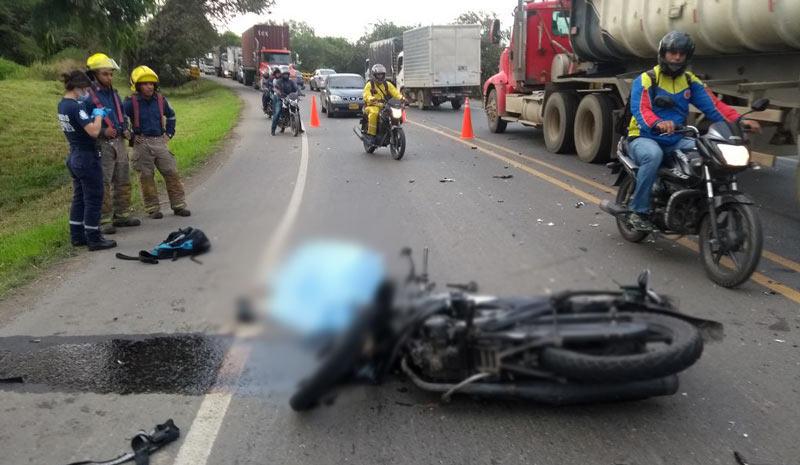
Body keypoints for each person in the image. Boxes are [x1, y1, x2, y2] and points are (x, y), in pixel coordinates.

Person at [626, 31, 761, 231]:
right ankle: (638, 212)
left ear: (688, 57)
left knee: (710, 153)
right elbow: (641, 109)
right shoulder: (647, 79)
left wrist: (740, 121)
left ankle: (696, 203)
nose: (677, 57)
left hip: (676, 138)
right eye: (673, 52)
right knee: (652, 156)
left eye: (682, 53)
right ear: (663, 54)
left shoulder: (691, 81)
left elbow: (714, 107)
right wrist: (658, 123)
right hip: (645, 136)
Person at [57, 70, 117, 251]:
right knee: (93, 197)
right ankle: (94, 237)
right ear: (77, 87)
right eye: (85, 89)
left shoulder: (63, 105)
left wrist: (90, 115)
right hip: (86, 156)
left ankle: (77, 235)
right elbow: (92, 131)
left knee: (80, 198)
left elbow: (77, 126)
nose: (87, 93)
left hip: (74, 154)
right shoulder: (76, 107)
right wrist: (98, 115)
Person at [123, 65, 191, 219]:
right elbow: (121, 120)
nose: (149, 86)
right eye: (145, 84)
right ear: (137, 85)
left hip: (159, 141)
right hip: (141, 143)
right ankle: (153, 209)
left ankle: (179, 205)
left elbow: (171, 116)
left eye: (152, 83)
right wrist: (131, 136)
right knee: (146, 177)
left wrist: (169, 133)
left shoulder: (161, 100)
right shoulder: (130, 102)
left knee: (171, 171)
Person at [85, 53, 141, 235]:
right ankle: (104, 220)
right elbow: (84, 122)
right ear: (94, 74)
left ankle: (122, 215)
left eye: (110, 74)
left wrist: (125, 128)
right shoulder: (87, 97)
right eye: (104, 74)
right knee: (104, 181)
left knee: (123, 179)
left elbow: (121, 114)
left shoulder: (114, 93)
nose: (109, 77)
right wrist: (102, 132)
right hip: (102, 144)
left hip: (119, 142)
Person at [361, 64, 403, 145]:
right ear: (374, 75)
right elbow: (366, 94)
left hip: (385, 105)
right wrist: (371, 98)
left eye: (381, 74)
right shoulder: (370, 84)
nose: (380, 76)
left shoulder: (387, 84)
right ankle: (371, 136)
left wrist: (402, 98)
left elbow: (395, 93)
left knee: (394, 112)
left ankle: (390, 129)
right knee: (374, 113)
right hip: (372, 105)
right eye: (378, 75)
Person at [271, 66, 299, 136]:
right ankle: (273, 129)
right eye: (284, 74)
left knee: (297, 109)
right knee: (277, 113)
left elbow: (295, 88)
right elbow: (275, 88)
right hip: (280, 98)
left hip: (289, 98)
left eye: (287, 74)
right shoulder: (279, 81)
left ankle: (299, 128)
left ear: (288, 75)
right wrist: (278, 92)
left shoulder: (291, 82)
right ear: (282, 75)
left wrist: (299, 92)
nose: (286, 75)